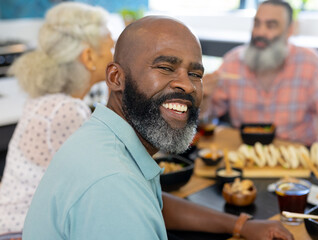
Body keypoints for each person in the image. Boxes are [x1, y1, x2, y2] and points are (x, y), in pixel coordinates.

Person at [22, 16, 293, 240]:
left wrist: (240, 226)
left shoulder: (105, 140)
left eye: (195, 74)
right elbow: (126, 199)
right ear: (116, 77)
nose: (187, 85)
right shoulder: (114, 185)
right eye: (165, 67)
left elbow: (152, 204)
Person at [0, 2, 114, 234]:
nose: (115, 57)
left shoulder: (51, 100)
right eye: (110, 48)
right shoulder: (66, 111)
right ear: (89, 57)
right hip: (22, 232)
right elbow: (99, 179)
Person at [201, 0, 318, 150]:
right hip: (245, 155)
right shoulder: (232, 62)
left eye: (271, 25)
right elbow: (206, 119)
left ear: (290, 30)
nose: (260, 32)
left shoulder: (310, 63)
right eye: (257, 24)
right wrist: (204, 98)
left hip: (297, 156)